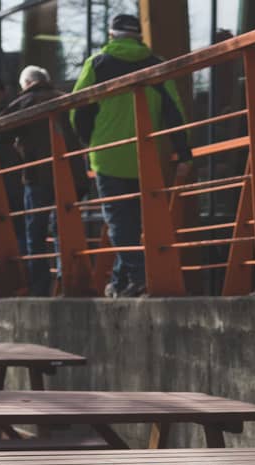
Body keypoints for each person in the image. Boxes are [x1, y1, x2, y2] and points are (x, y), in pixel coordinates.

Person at [71, 13, 192, 297]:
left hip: (108, 155)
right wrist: (183, 153)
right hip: (146, 156)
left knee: (118, 221)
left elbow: (78, 110)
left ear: (111, 36)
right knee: (136, 222)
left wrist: (88, 141)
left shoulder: (97, 64)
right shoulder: (156, 65)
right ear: (139, 37)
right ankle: (119, 281)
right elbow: (174, 111)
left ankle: (137, 277)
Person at [2, 65, 73, 296]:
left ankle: (39, 287)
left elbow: (0, 133)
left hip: (37, 174)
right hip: (70, 173)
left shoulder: (24, 102)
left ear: (26, 84)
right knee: (65, 226)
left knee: (36, 231)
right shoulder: (65, 98)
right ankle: (67, 279)